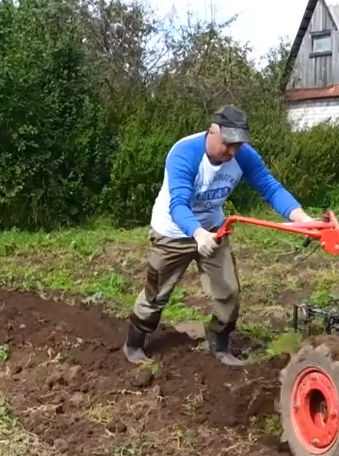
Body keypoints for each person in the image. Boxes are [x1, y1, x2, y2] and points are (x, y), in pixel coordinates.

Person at [124, 104, 312, 366]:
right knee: (156, 293)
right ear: (213, 131)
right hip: (173, 232)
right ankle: (134, 342)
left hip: (213, 229)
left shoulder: (243, 156)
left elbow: (270, 187)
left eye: (238, 145)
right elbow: (178, 204)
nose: (233, 151)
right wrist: (197, 233)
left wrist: (302, 219)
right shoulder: (185, 153)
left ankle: (219, 344)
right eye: (228, 144)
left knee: (229, 291)